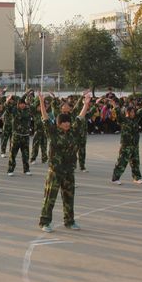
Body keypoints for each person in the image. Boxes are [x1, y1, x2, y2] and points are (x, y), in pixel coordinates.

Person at [38, 91, 90, 232]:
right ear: (59, 123)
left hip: (69, 171)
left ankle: (70, 221)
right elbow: (45, 118)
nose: (67, 124)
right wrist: (42, 102)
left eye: (68, 122)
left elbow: (80, 116)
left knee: (69, 198)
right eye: (64, 122)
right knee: (50, 198)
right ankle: (45, 222)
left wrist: (86, 103)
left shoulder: (73, 131)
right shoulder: (53, 132)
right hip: (55, 171)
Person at [110, 97, 142, 185]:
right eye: (132, 112)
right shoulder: (123, 120)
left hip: (134, 145)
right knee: (122, 162)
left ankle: (137, 178)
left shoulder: (135, 119)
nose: (134, 113)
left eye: (134, 112)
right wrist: (114, 104)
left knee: (135, 162)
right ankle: (115, 179)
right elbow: (117, 112)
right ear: (127, 113)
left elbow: (141, 110)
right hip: (126, 145)